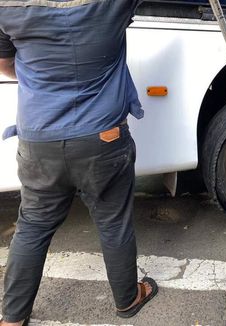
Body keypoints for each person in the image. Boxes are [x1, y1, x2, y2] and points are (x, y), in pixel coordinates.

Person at [0, 1, 157, 324]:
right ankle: (127, 299)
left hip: (39, 138)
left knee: (32, 226)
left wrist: (45, 79)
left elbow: (5, 64)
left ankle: (12, 318)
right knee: (113, 223)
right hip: (103, 138)